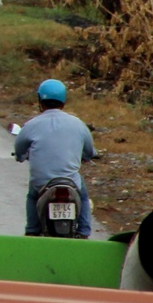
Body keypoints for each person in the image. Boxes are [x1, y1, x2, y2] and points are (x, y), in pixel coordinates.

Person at [14, 79, 96, 237]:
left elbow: (19, 149)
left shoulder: (31, 125)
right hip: (71, 183)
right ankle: (84, 231)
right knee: (84, 196)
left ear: (40, 101)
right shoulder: (78, 124)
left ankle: (32, 230)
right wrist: (85, 156)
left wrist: (21, 156)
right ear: (63, 101)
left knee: (32, 196)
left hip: (42, 184)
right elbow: (89, 151)